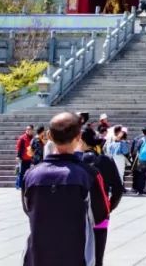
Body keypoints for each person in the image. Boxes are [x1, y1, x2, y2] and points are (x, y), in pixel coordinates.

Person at [21, 112, 110, 266]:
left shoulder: (31, 175)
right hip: (76, 256)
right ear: (79, 136)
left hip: (37, 257)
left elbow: (28, 209)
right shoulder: (89, 175)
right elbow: (100, 215)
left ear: (49, 135)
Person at [78, 126, 124, 266]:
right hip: (101, 214)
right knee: (98, 257)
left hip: (78, 216)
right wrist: (109, 207)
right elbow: (118, 189)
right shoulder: (106, 160)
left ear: (81, 141)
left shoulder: (76, 162)